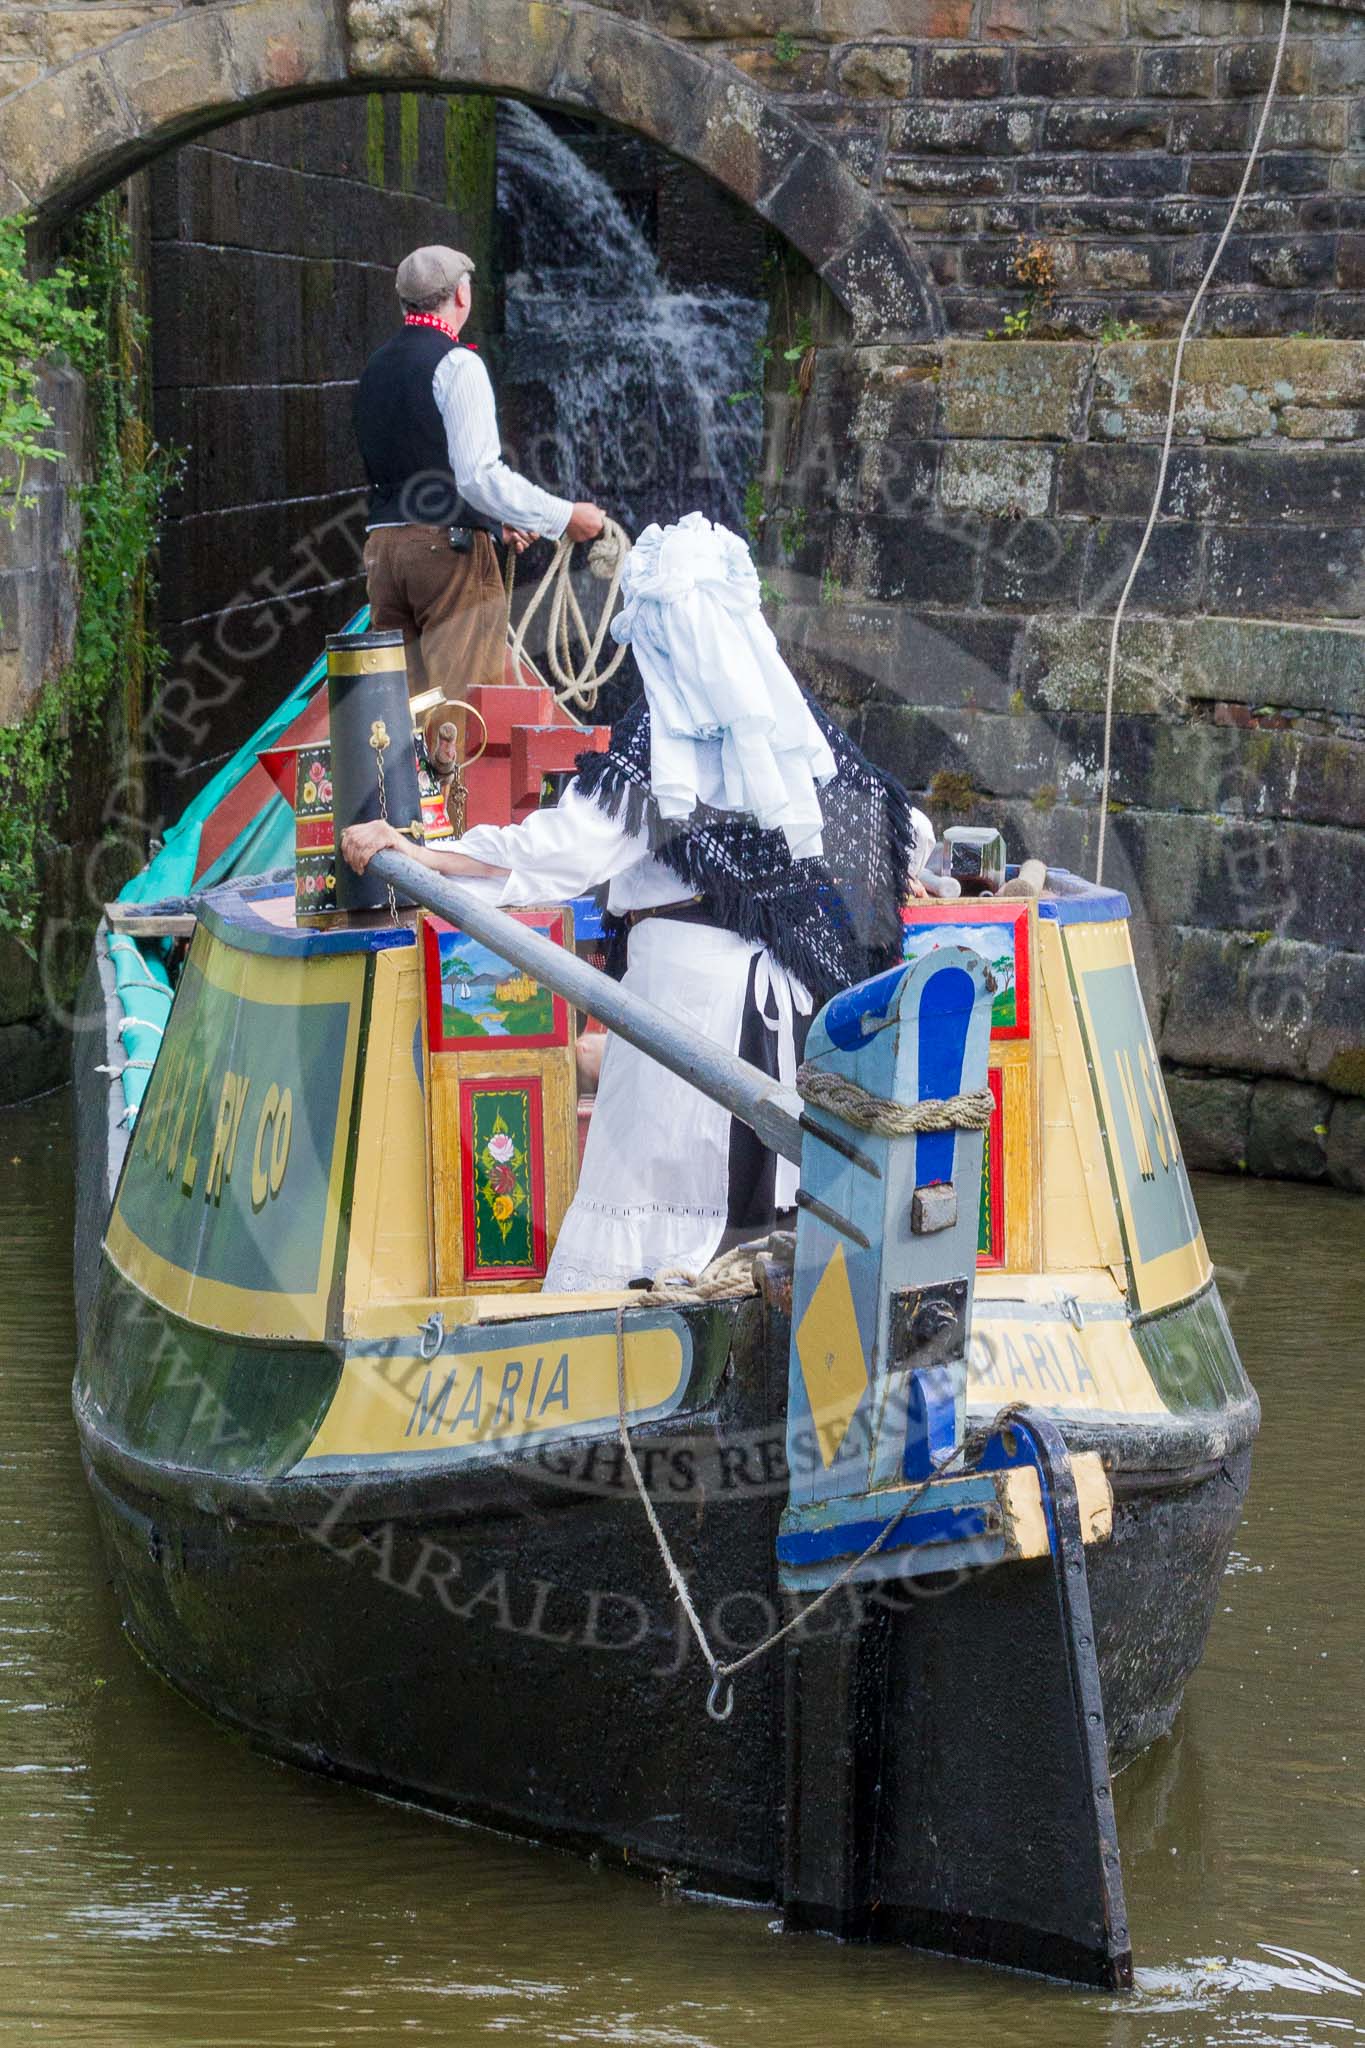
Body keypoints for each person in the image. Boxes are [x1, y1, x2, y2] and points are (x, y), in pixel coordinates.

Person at [342, 513, 934, 1294]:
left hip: (682, 1007)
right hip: (788, 1004)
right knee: (757, 1211)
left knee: (658, 1225)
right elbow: (905, 827)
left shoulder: (666, 744)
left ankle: (638, 1353)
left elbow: (563, 854)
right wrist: (906, 874)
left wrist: (423, 853)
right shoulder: (794, 729)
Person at [353, 243, 606, 707]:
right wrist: (564, 516)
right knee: (463, 712)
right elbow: (478, 475)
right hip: (444, 557)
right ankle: (455, 783)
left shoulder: (376, 367)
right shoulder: (458, 364)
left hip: (383, 554)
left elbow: (415, 465)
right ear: (462, 297)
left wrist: (490, 521)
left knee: (399, 713)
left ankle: (409, 784)